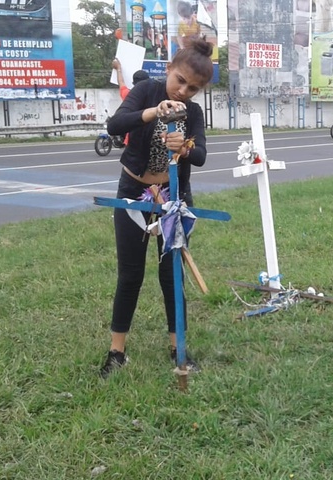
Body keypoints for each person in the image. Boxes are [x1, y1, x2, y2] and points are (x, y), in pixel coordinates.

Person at [100, 39, 214, 378]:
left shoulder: (193, 113)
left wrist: (185, 146)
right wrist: (153, 112)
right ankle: (116, 351)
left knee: (172, 274)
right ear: (168, 70)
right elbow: (115, 125)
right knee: (130, 273)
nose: (183, 91)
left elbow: (202, 156)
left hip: (174, 198)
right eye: (180, 80)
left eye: (193, 88)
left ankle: (177, 345)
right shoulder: (147, 91)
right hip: (134, 190)